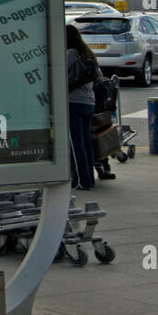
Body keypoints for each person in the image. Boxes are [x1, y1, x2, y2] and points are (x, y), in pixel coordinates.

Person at [66, 24, 99, 192]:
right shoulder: (87, 52)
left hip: (73, 102)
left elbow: (59, 72)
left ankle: (81, 180)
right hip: (88, 102)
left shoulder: (71, 53)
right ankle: (89, 179)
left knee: (75, 143)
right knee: (86, 142)